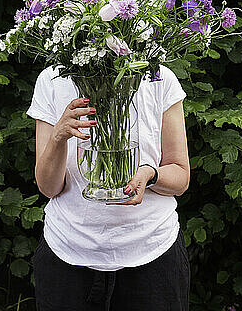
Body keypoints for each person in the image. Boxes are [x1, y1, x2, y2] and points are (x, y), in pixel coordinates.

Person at [27, 64, 191, 311]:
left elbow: (180, 175)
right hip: (68, 256)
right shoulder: (52, 79)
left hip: (152, 255)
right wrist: (58, 136)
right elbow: (49, 187)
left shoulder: (158, 77)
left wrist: (150, 174)